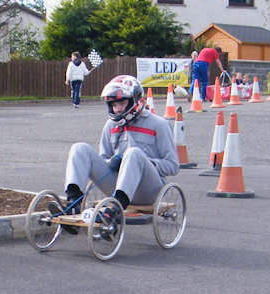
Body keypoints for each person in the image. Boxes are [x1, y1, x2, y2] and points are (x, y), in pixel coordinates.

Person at [54, 75, 179, 233]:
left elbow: (173, 166)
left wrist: (145, 162)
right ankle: (73, 204)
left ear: (135, 100)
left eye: (121, 103)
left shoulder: (159, 124)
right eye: (113, 105)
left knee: (133, 154)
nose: (117, 109)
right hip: (117, 186)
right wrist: (112, 162)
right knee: (80, 148)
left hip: (147, 190)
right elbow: (104, 159)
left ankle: (113, 210)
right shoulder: (111, 126)